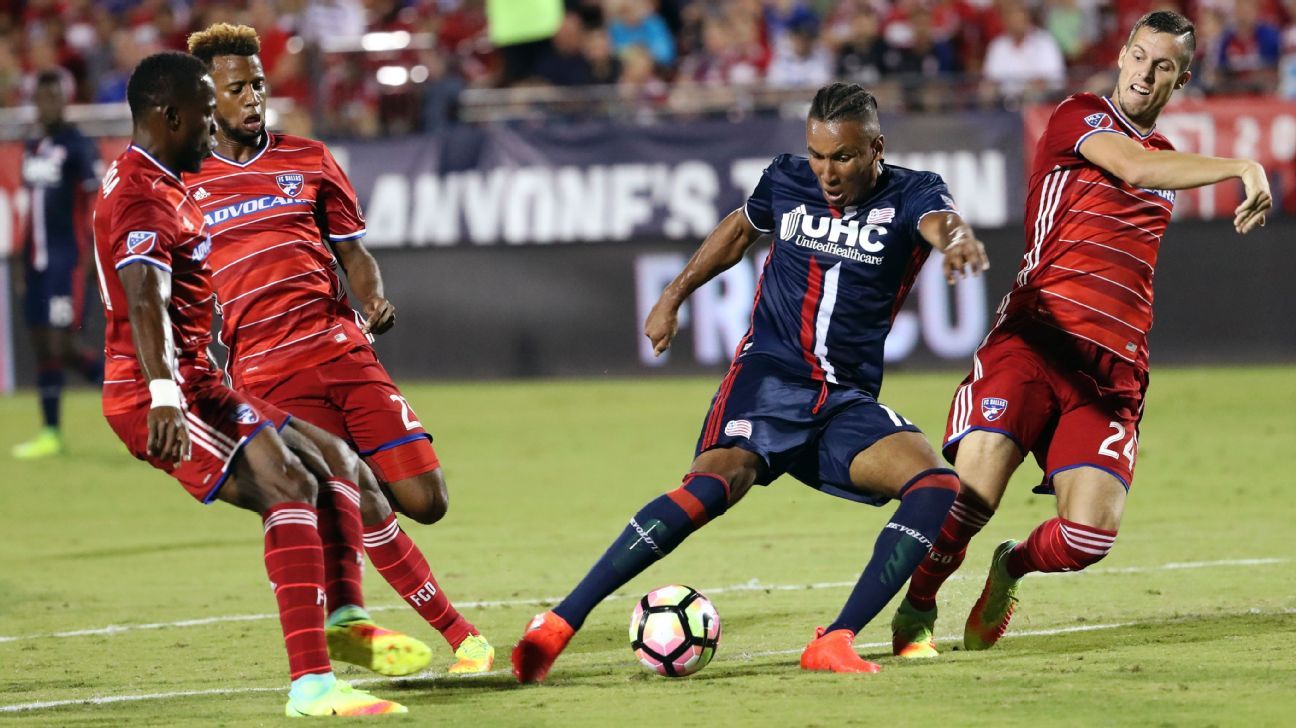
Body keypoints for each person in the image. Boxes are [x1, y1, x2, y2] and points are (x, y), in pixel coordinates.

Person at [512, 82, 991, 682]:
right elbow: (738, 233)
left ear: (876, 148)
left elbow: (940, 221)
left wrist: (960, 240)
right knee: (712, 487)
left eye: (842, 156)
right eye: (817, 155)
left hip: (843, 400)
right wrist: (673, 294)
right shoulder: (785, 180)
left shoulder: (912, 191)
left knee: (936, 486)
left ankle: (836, 639)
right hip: (768, 379)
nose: (826, 171)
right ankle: (557, 624)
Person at [889, 10, 1272, 658]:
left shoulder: (1169, 162)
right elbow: (1134, 168)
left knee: (1089, 538)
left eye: (1164, 67)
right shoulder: (1080, 117)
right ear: (1123, 54)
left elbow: (1149, 181)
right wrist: (1244, 165)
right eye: (1140, 57)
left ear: (1180, 80)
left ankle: (1010, 567)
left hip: (1110, 371)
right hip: (1033, 339)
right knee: (971, 502)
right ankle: (918, 607)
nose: (1146, 75)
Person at [95, 50, 408, 716]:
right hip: (160, 394)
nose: (214, 130)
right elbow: (144, 300)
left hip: (202, 382)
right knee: (288, 486)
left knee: (321, 468)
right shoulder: (141, 196)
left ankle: (340, 632)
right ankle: (313, 684)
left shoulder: (161, 179)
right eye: (206, 115)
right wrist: (164, 398)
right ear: (169, 115)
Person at [183, 23, 494, 674]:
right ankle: (461, 638)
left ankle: (347, 489)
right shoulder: (182, 187)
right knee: (337, 490)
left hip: (341, 348)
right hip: (266, 371)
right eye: (236, 88)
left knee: (426, 500)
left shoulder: (310, 158)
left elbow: (355, 253)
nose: (253, 98)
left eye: (258, 85)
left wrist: (371, 297)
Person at [12, 70, 104, 459]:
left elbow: (93, 203)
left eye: (53, 97)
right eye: (41, 97)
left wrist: (88, 259)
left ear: (64, 100)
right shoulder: (33, 146)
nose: (46, 104)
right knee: (41, 345)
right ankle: (51, 432)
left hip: (66, 262)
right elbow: (28, 209)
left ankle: (128, 394)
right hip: (34, 262)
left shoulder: (77, 145)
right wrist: (19, 259)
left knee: (62, 343)